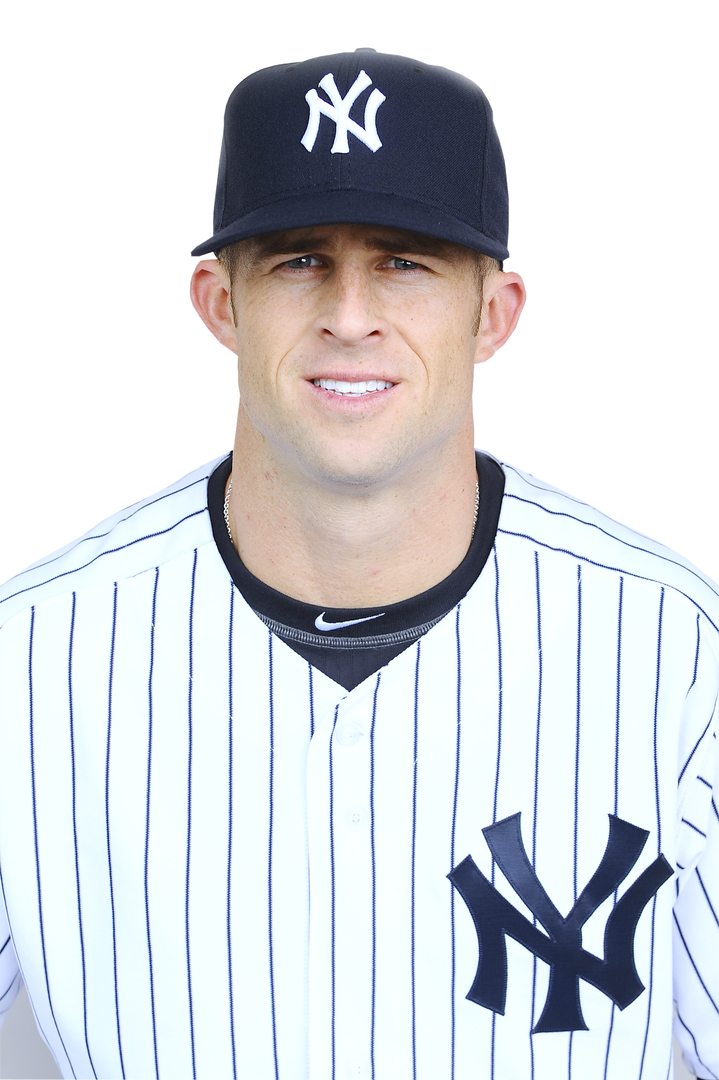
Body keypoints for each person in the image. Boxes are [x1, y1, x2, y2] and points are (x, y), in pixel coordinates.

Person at [0, 47, 716, 1080]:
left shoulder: (670, 655)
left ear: (492, 313)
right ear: (219, 302)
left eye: (402, 260)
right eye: (298, 259)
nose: (347, 314)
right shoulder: (31, 660)